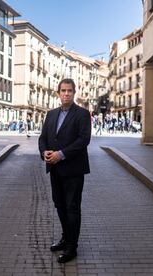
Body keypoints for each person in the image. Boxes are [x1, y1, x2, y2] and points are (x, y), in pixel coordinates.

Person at [38, 78, 91, 263]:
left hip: (74, 170)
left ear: (74, 93)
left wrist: (61, 154)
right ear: (58, 93)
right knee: (59, 205)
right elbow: (43, 138)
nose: (66, 93)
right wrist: (44, 152)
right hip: (55, 169)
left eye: (69, 90)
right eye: (63, 90)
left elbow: (83, 140)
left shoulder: (82, 114)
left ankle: (71, 247)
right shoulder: (51, 114)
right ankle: (65, 238)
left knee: (72, 208)